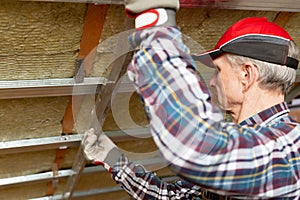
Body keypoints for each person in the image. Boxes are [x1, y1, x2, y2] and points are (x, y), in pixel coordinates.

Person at [82, 0, 300, 199]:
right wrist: (113, 159)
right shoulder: (241, 147)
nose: (213, 82)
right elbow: (169, 196)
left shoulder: (292, 148)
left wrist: (157, 25)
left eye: (218, 70)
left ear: (246, 74)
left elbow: (198, 149)